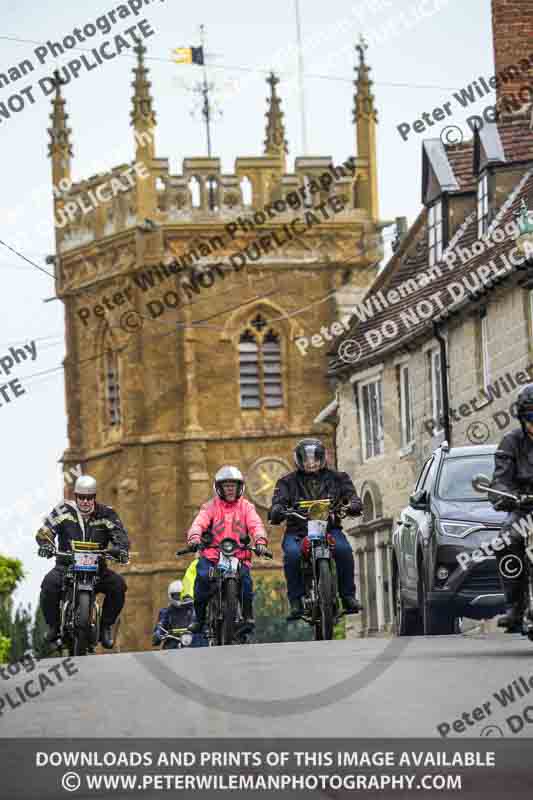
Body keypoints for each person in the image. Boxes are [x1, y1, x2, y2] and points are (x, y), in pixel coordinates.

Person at [269, 438, 363, 620]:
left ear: (322, 458)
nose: (311, 463)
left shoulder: (339, 478)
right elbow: (278, 501)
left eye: (315, 458)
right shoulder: (286, 482)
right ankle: (296, 600)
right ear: (299, 460)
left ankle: (348, 596)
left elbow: (351, 496)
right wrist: (277, 509)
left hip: (330, 529)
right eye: (306, 459)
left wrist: (353, 504)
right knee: (292, 555)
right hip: (298, 532)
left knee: (344, 550)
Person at [36, 475, 129, 649]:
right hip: (66, 565)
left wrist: (121, 549)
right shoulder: (62, 510)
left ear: (94, 496)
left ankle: (106, 627)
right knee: (48, 584)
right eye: (81, 497)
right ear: (76, 495)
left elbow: (120, 535)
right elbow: (45, 531)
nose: (85, 501)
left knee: (118, 585)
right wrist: (45, 544)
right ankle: (53, 627)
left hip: (98, 568)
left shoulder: (107, 513)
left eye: (89, 497)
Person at [186, 466, 268, 634]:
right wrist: (194, 537)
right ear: (219, 488)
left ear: (240, 487)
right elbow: (199, 523)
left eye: (233, 485)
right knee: (202, 578)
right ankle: (199, 618)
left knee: (246, 582)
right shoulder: (210, 507)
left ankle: (247, 616)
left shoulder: (247, 507)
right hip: (212, 556)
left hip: (239, 555)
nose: (230, 489)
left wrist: (260, 541)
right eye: (226, 486)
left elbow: (256, 525)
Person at [490, 383, 533, 632]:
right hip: (524, 509)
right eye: (531, 416)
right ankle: (515, 605)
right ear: (522, 417)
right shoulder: (511, 442)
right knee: (505, 542)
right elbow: (500, 479)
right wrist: (505, 495)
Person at [152, 579, 207, 648]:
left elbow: (204, 624)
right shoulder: (166, 612)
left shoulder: (196, 609)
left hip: (194, 642)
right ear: (170, 595)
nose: (180, 598)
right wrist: (157, 634)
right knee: (167, 648)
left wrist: (205, 631)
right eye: (177, 595)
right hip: (173, 643)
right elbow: (161, 625)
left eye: (183, 595)